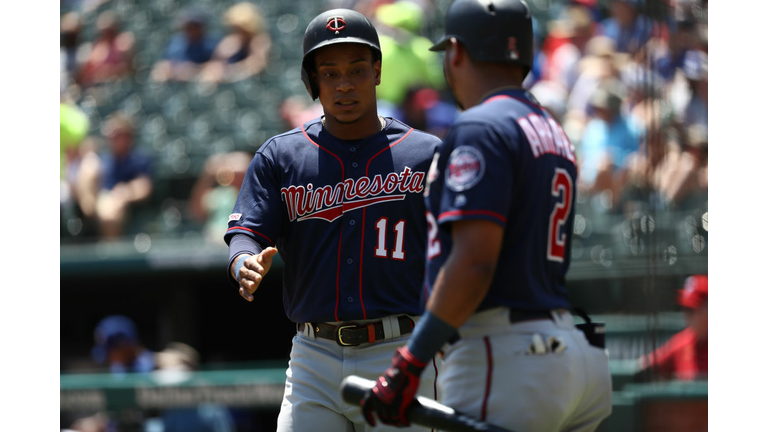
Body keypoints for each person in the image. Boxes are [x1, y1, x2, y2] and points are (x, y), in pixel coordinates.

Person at [361, 1, 612, 431]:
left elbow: (475, 262)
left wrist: (410, 362)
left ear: (456, 52)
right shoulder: (550, 128)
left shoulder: (481, 125)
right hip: (572, 351)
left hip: (505, 352)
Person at [224, 9, 442, 432]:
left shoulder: (427, 154)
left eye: (358, 70)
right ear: (312, 82)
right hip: (313, 354)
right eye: (330, 73)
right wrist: (243, 262)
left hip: (399, 347)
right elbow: (246, 232)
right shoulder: (281, 156)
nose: (345, 84)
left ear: (377, 71)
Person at [76, 112, 153, 239]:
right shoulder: (102, 159)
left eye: (118, 134)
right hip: (99, 203)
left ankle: (110, 255)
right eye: (111, 134)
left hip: (122, 204)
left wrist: (124, 193)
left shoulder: (139, 159)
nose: (113, 138)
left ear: (129, 136)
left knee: (111, 214)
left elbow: (144, 187)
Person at [639, 275, 708, 381]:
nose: (686, 315)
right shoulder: (682, 342)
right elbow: (643, 365)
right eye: (685, 308)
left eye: (691, 309)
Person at [200, 2, 272, 83]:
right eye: (236, 28)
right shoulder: (232, 41)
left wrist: (230, 72)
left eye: (241, 29)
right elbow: (215, 63)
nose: (238, 32)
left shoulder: (259, 40)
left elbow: (256, 65)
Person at [151, 6, 220, 82]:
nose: (193, 30)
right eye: (190, 27)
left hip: (200, 78)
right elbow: (164, 63)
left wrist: (194, 68)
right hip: (177, 77)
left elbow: (217, 64)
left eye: (196, 26)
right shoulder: (175, 43)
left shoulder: (211, 43)